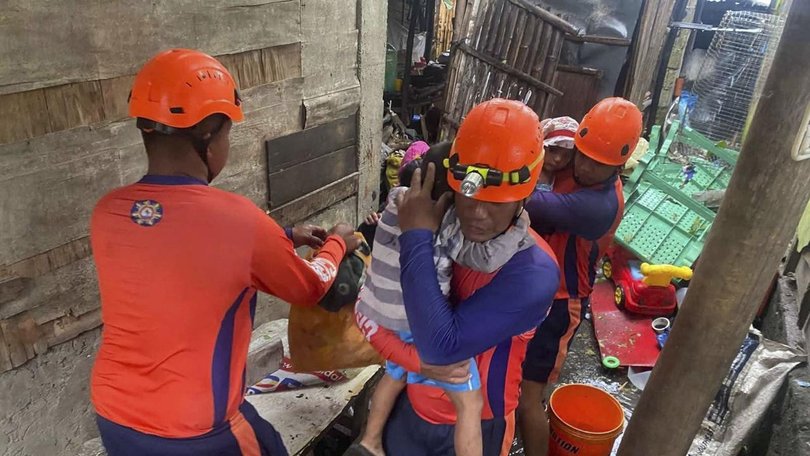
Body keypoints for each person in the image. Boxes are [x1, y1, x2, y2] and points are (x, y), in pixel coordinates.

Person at [89, 49, 360, 456]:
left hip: (114, 414)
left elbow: (180, 248)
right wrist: (338, 242)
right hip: (196, 428)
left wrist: (286, 235)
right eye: (227, 133)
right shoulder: (239, 221)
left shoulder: (108, 213)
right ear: (207, 135)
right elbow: (310, 286)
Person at [355, 99, 560, 456]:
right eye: (469, 195)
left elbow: (441, 347)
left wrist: (415, 236)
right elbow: (371, 312)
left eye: (496, 201)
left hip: (478, 425)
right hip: (412, 404)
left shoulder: (532, 272)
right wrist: (412, 362)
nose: (478, 213)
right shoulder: (441, 232)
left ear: (525, 193)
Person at [517, 97, 642, 456]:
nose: (584, 166)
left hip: (560, 303)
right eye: (582, 154)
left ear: (619, 165)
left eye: (597, 164)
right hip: (529, 286)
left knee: (528, 397)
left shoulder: (600, 206)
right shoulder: (574, 157)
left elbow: (532, 204)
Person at [536, 116, 579, 192]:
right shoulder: (526, 169)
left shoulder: (565, 180)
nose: (558, 159)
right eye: (553, 150)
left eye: (566, 156)